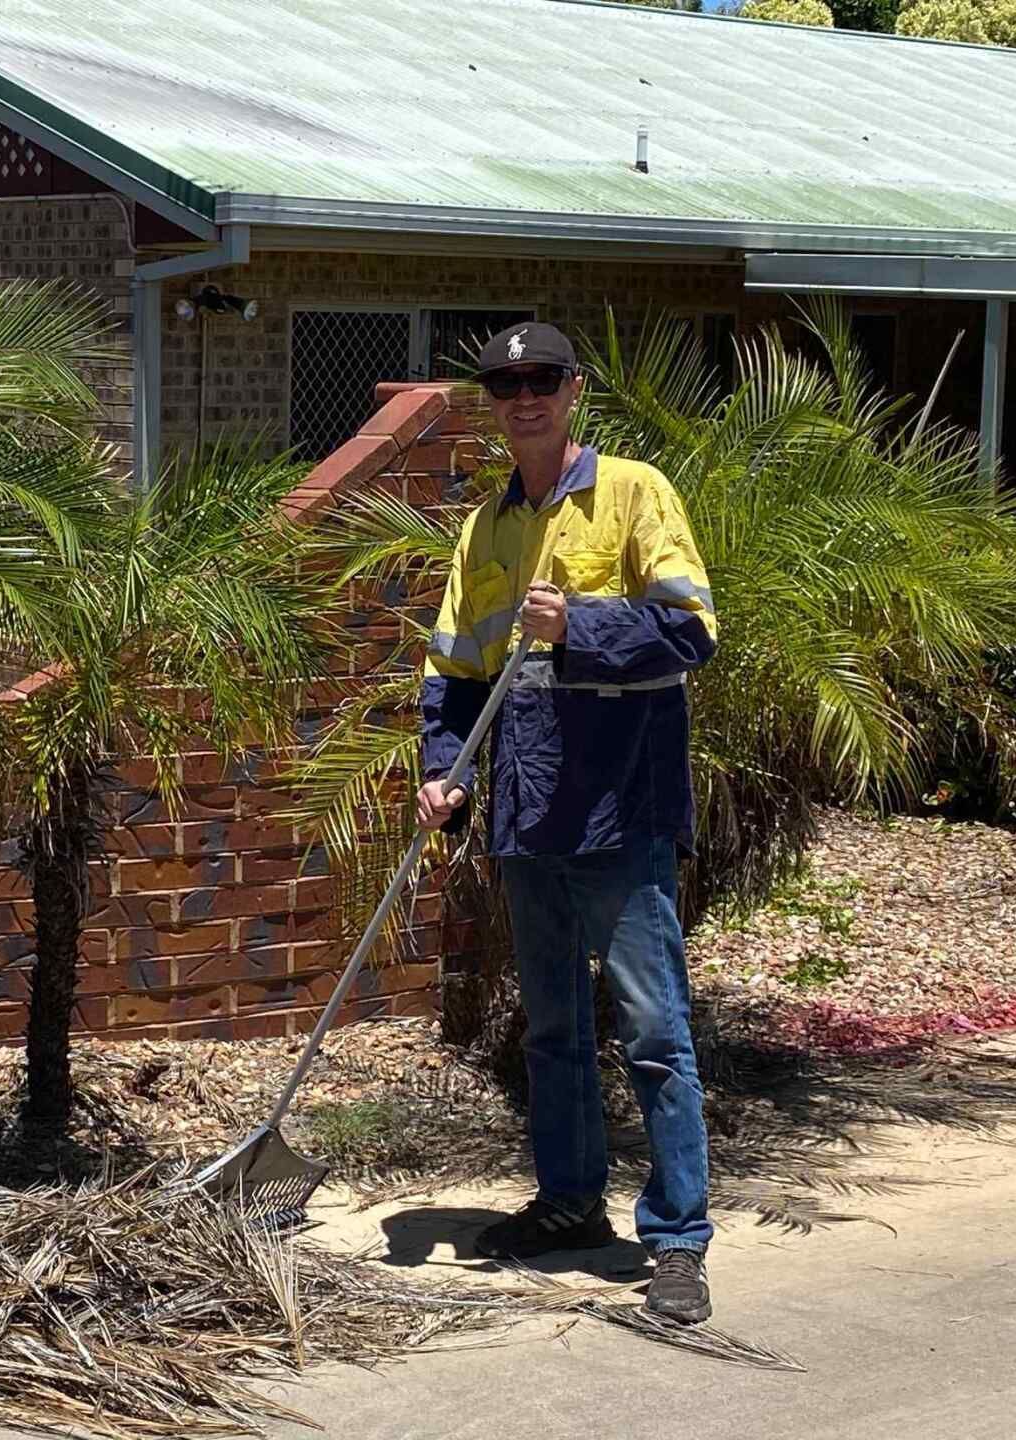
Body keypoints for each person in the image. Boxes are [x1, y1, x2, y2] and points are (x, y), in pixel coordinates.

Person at [416, 322, 718, 1324]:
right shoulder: (485, 528)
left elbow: (691, 631)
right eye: (506, 385)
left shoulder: (634, 494)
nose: (524, 398)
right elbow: (455, 672)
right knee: (551, 1033)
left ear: (574, 390)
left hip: (620, 811)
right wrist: (442, 776)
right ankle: (569, 1206)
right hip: (527, 813)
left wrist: (578, 626)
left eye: (541, 380)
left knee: (656, 1035)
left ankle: (676, 1240)